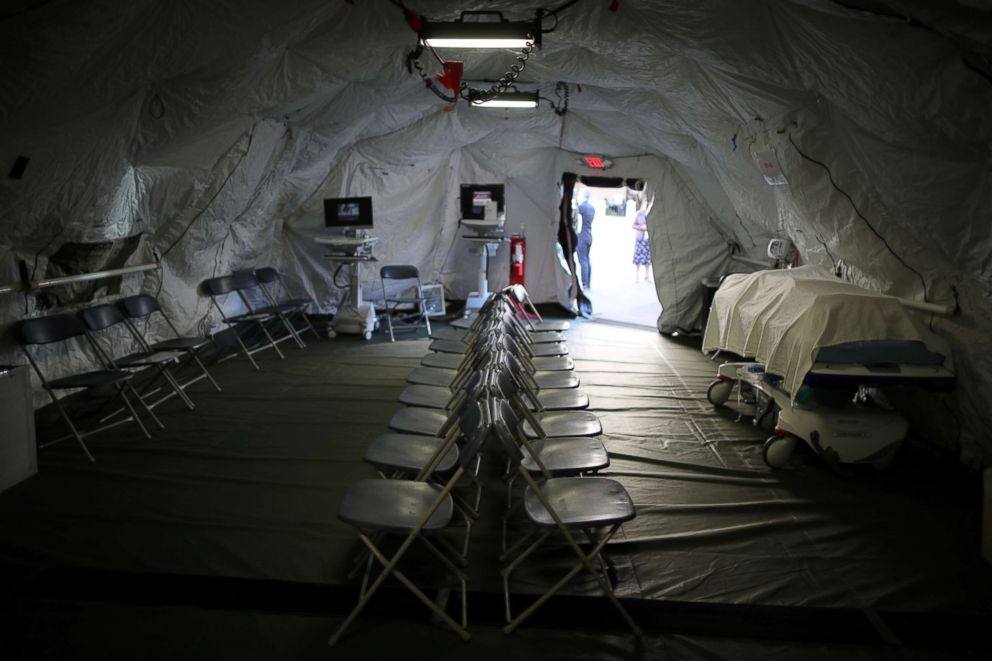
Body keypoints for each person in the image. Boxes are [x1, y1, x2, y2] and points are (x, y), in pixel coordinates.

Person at [576, 191, 596, 289]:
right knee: (587, 259)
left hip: (581, 236)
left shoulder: (580, 208)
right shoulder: (592, 208)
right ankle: (588, 283)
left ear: (583, 196)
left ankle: (584, 283)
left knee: (582, 260)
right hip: (589, 235)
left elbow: (575, 221)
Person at [632, 203, 651, 283]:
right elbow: (633, 225)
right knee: (638, 257)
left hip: (647, 239)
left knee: (648, 258)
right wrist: (641, 227)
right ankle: (637, 276)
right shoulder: (639, 214)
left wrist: (648, 227)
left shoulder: (651, 214)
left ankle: (647, 276)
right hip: (640, 239)